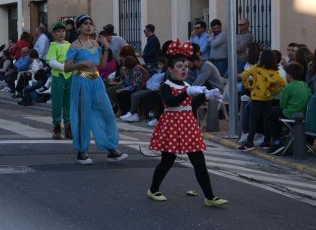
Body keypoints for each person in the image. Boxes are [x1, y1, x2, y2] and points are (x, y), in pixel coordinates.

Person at [147, 39, 227, 207]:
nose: (184, 68)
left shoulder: (186, 84)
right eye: (179, 66)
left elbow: (190, 106)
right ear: (170, 69)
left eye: (185, 65)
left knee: (199, 162)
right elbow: (171, 102)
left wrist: (206, 96)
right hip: (172, 125)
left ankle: (210, 197)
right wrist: (188, 92)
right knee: (167, 161)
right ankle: (153, 189)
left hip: (188, 125)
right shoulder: (165, 86)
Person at [66, 14, 128, 165]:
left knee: (107, 113)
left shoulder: (95, 43)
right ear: (79, 27)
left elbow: (101, 65)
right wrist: (80, 64)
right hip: (81, 82)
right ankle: (81, 152)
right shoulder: (74, 45)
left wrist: (105, 47)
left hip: (97, 81)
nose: (89, 26)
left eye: (90, 23)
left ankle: (111, 149)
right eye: (85, 24)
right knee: (83, 116)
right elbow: (66, 67)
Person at [238, 49, 287, 151]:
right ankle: (266, 142)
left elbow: (244, 75)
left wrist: (249, 87)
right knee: (267, 120)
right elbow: (283, 84)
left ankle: (249, 142)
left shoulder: (256, 68)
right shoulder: (274, 72)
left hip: (256, 97)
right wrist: (273, 89)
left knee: (253, 121)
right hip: (268, 98)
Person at [266, 62, 311, 155]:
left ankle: (277, 140)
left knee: (272, 112)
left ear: (289, 75)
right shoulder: (305, 85)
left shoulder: (288, 87)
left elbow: (282, 105)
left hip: (290, 114)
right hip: (303, 115)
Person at [46, 22, 73, 139]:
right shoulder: (53, 46)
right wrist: (64, 67)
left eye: (63, 31)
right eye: (58, 31)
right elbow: (51, 61)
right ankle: (57, 128)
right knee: (57, 102)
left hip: (70, 76)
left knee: (69, 102)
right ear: (54, 33)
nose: (61, 33)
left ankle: (68, 128)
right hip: (58, 77)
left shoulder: (70, 45)